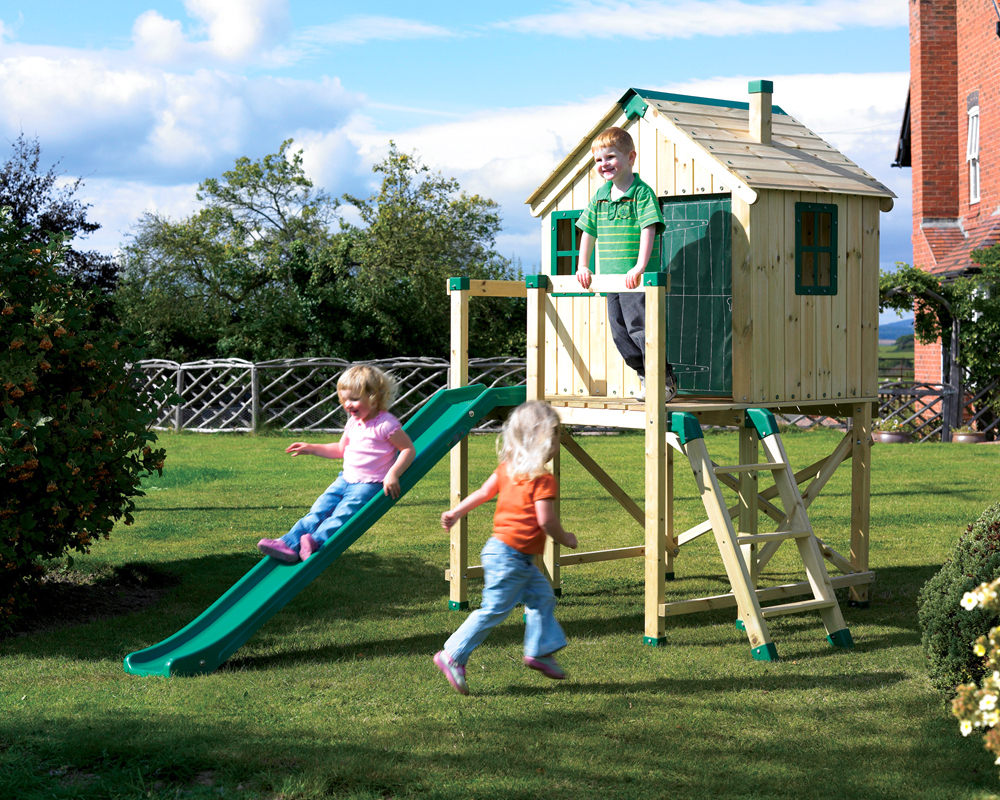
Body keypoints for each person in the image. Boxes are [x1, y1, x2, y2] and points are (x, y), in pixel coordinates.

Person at [433, 400, 578, 695]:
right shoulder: (543, 478)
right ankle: (452, 654)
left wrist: (456, 512)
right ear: (543, 441)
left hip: (509, 555)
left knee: (542, 598)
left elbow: (482, 493)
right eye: (556, 436)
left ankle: (538, 650)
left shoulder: (508, 469)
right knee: (495, 609)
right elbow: (546, 521)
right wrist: (566, 538)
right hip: (510, 557)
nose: (558, 443)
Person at [257, 364, 415, 563]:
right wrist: (312, 448)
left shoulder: (386, 424)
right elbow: (341, 450)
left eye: (355, 399)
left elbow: (408, 449)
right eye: (345, 399)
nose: (348, 404)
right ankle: (288, 543)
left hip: (369, 484)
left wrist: (393, 474)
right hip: (345, 479)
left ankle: (315, 541)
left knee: (342, 515)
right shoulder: (353, 422)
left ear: (374, 398)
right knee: (318, 509)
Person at [575, 126, 676, 402]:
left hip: (635, 279)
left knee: (640, 328)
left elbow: (649, 228)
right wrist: (583, 265)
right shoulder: (600, 197)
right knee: (620, 332)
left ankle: (663, 381)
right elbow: (588, 232)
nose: (604, 164)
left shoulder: (642, 193)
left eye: (610, 157)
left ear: (630, 157)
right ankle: (644, 377)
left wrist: (639, 266)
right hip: (610, 280)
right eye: (598, 160)